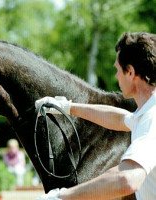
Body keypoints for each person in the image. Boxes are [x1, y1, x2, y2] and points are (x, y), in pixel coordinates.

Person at [35, 32, 156, 200]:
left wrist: (61, 196)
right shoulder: (145, 113)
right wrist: (68, 107)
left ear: (130, 72)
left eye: (118, 69)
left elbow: (126, 179)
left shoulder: (151, 118)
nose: (116, 76)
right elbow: (120, 118)